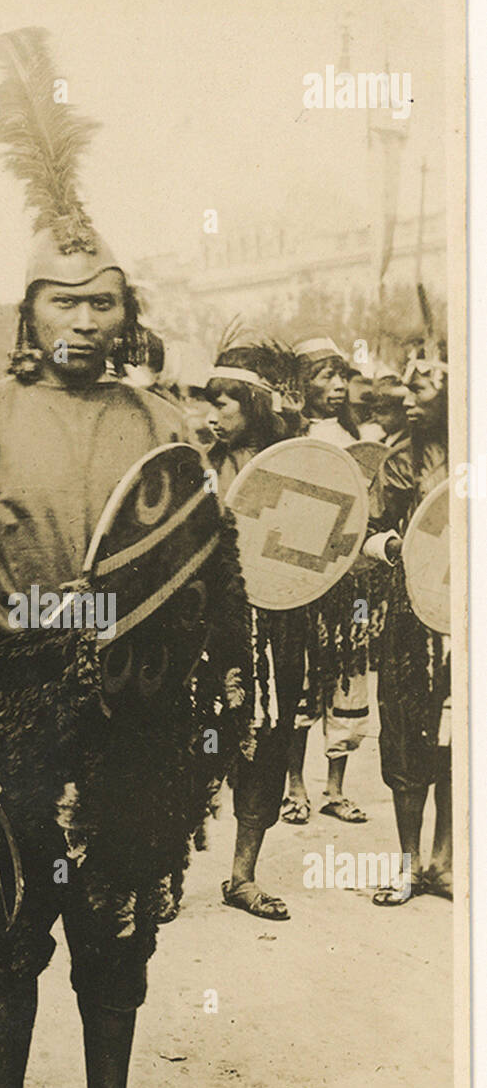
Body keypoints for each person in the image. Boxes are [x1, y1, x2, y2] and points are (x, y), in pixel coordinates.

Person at [0, 27, 253, 1088]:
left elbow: (202, 571)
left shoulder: (167, 421)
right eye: (67, 299)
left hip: (137, 711)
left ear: (127, 312)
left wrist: (209, 701)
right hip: (10, 702)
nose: (88, 319)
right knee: (10, 936)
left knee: (119, 926)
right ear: (30, 308)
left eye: (107, 301)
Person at [201, 342, 305, 921]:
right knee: (196, 745)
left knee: (265, 743)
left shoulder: (291, 464)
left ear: (256, 406)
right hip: (208, 628)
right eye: (209, 402)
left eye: (226, 402)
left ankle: (242, 876)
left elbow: (316, 546)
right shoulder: (197, 466)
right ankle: (166, 873)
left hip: (274, 626)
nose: (213, 414)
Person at [363, 352, 451, 904]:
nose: (409, 402)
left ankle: (442, 863)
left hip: (468, 620)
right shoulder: (399, 462)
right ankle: (407, 863)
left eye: (423, 393)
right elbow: (368, 529)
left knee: (457, 738)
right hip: (411, 618)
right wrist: (399, 546)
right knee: (406, 737)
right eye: (408, 394)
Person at [282, 337, 380, 826]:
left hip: (351, 584)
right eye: (324, 376)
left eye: (342, 375)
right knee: (301, 680)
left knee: (348, 680)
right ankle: (294, 785)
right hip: (304, 580)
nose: (338, 385)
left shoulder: (358, 438)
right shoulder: (287, 439)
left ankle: (334, 789)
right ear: (301, 384)